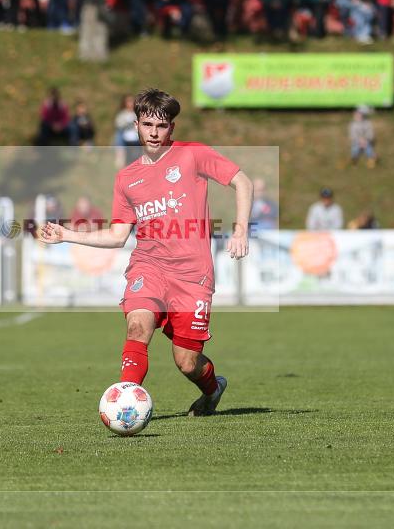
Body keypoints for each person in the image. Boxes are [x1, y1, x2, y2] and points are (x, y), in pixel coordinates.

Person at [39, 88, 253, 417]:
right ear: (136, 125)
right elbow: (117, 235)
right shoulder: (127, 178)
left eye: (162, 126)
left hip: (193, 275)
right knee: (137, 326)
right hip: (148, 267)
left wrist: (240, 229)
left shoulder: (192, 155)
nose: (154, 133)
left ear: (172, 129)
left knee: (187, 362)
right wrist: (67, 234)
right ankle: (126, 404)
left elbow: (242, 181)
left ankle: (212, 388)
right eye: (148, 124)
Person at [113, 94, 138, 168]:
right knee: (118, 135)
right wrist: (126, 122)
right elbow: (118, 124)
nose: (130, 104)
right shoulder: (122, 114)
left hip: (136, 137)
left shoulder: (137, 113)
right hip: (125, 137)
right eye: (128, 102)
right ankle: (120, 157)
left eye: (132, 101)